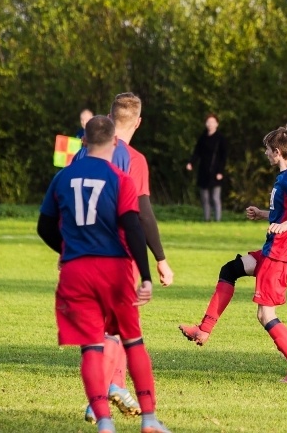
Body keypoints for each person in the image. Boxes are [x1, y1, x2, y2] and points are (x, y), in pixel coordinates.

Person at [37, 115, 170, 433]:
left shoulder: (63, 177)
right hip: (114, 270)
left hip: (76, 271)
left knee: (91, 347)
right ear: (114, 142)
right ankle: (149, 419)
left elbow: (44, 226)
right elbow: (133, 228)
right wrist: (146, 275)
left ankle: (104, 421)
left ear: (83, 141)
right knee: (133, 342)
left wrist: (67, 250)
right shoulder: (120, 179)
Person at [178, 125, 287, 383]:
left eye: (267, 150)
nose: (265, 153)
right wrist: (264, 215)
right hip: (272, 250)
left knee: (265, 315)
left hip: (281, 255)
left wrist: (283, 226)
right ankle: (203, 330)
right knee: (230, 269)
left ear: (277, 152)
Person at [72, 93, 174, 423]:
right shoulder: (133, 158)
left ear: (109, 116)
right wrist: (160, 259)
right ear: (139, 122)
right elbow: (142, 213)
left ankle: (115, 385)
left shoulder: (82, 152)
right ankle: (101, 395)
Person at [186, 114, 228, 221]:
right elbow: (197, 152)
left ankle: (217, 220)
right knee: (205, 198)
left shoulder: (220, 138)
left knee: (215, 197)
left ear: (217, 124)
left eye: (212, 122)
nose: (210, 124)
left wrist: (220, 171)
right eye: (208, 122)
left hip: (216, 171)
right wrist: (191, 163)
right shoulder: (202, 137)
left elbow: (223, 157)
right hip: (203, 170)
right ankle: (207, 219)